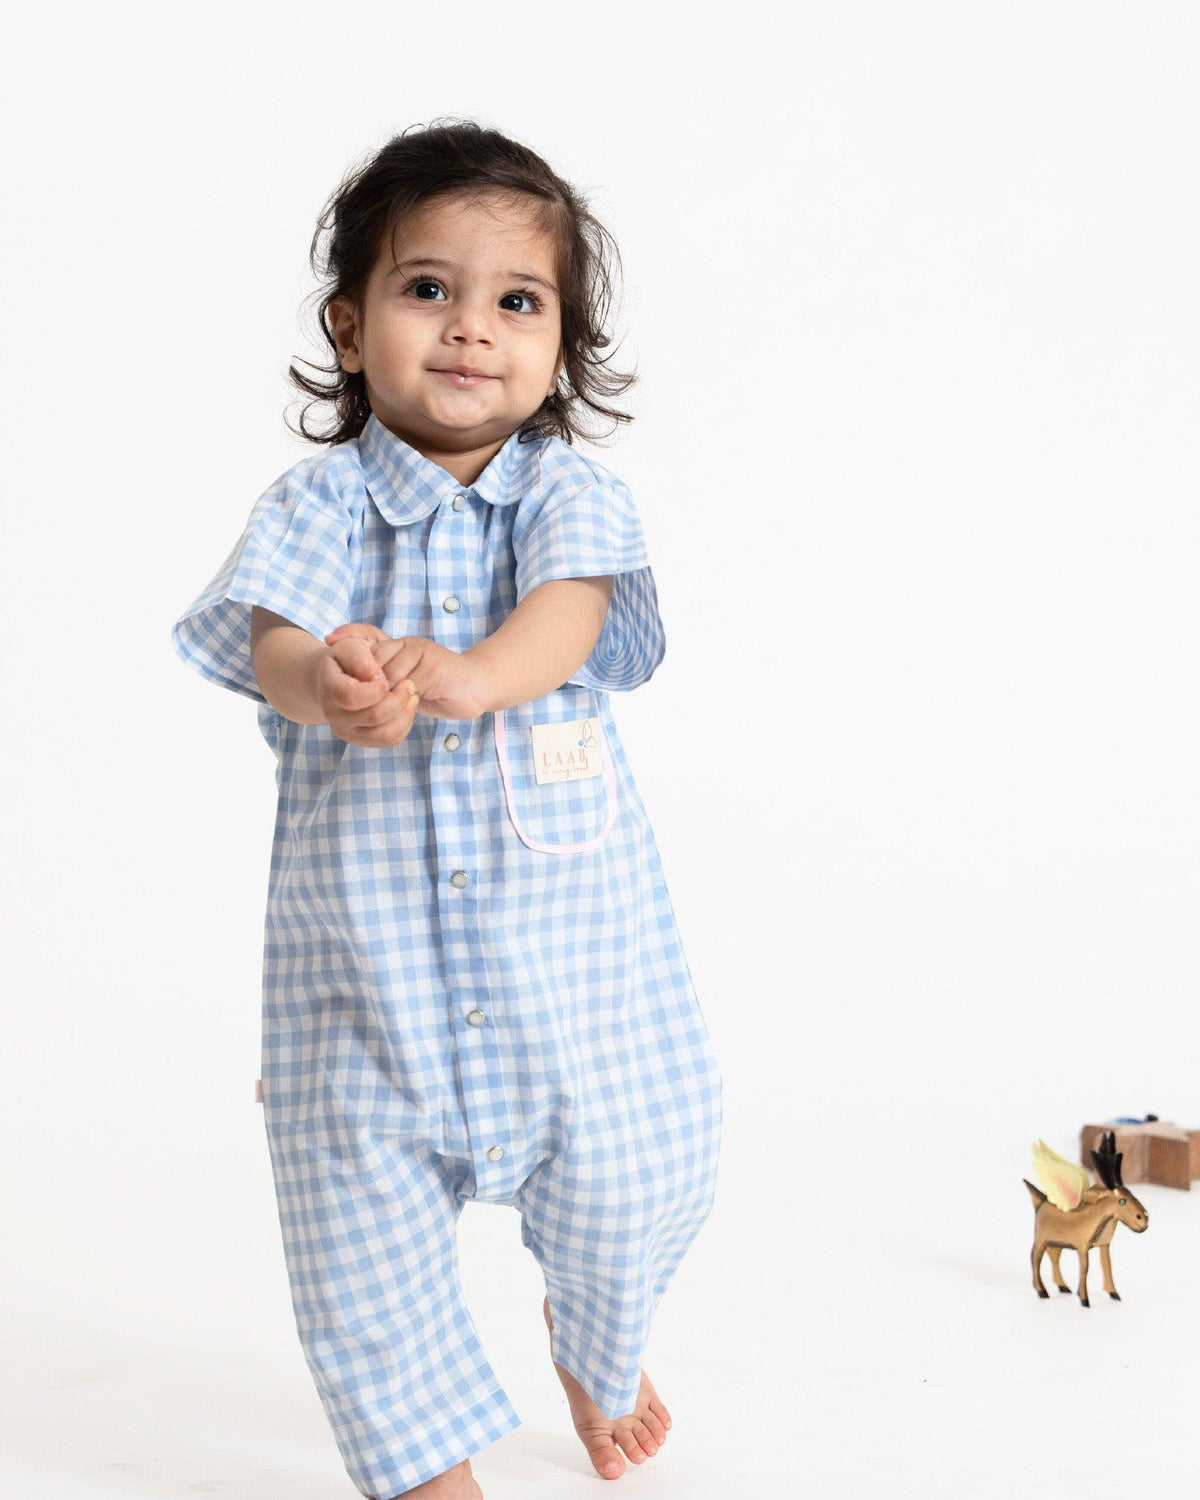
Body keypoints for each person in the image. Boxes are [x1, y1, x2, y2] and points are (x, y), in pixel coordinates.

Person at [170, 118, 723, 1500]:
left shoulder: (568, 495)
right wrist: (331, 678)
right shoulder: (319, 501)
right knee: (356, 1260)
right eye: (429, 290)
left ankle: (596, 1343)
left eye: (516, 302)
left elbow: (570, 615)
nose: (472, 329)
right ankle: (426, 1472)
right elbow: (271, 644)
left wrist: (473, 676)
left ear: (559, 346)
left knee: (641, 1182)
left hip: (574, 987)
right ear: (352, 329)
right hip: (365, 993)